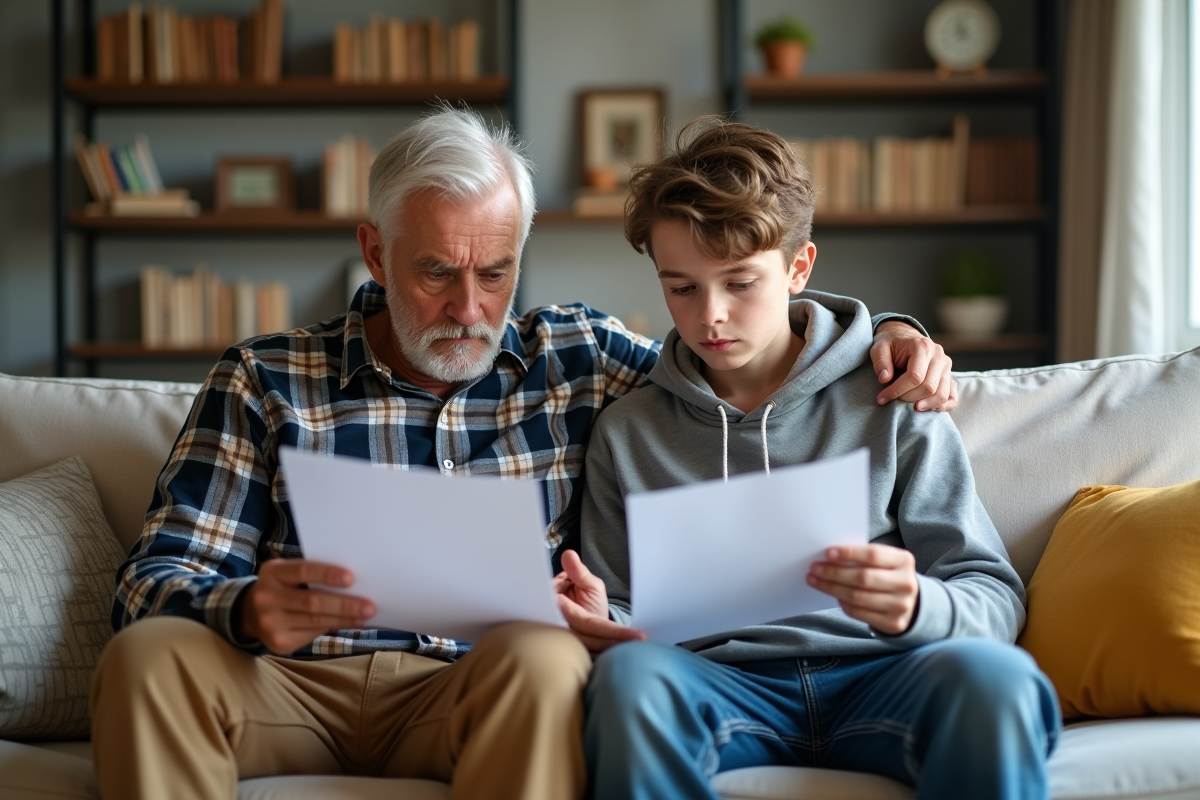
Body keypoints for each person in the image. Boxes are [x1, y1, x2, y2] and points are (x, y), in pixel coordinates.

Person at [91, 107, 960, 800]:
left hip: (480, 689)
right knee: (147, 659)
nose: (469, 307)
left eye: (496, 271)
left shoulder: (578, 356)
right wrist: (244, 610)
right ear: (374, 252)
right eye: (435, 271)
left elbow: (736, 354)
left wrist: (887, 334)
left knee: (547, 659)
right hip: (284, 683)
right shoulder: (264, 377)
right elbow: (151, 580)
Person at [554, 118, 1061, 800]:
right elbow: (622, 607)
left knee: (1001, 682)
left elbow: (993, 594)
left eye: (740, 283)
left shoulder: (895, 395)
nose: (711, 317)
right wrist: (601, 619)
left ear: (798, 269)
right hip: (719, 685)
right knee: (629, 683)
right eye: (682, 287)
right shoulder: (628, 432)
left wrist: (918, 604)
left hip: (887, 673)